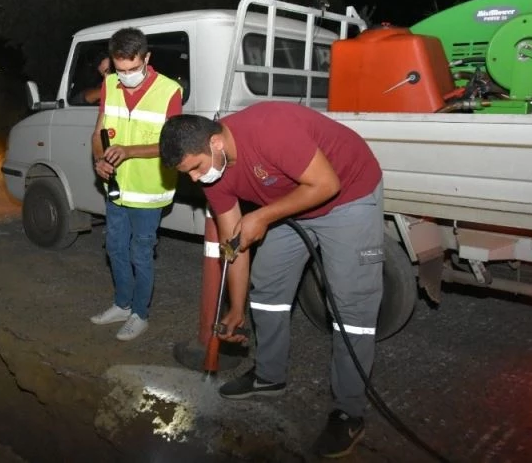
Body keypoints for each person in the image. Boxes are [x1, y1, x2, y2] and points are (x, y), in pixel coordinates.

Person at [159, 102, 384, 458]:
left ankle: (349, 411)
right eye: (188, 173)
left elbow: (326, 183)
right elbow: (235, 243)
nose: (195, 179)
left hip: (346, 195)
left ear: (216, 143)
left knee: (351, 307)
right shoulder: (214, 173)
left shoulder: (270, 129)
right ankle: (269, 375)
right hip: (290, 202)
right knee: (266, 287)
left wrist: (262, 217)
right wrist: (236, 309)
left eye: (196, 168)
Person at [89, 27, 183, 341]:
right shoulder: (109, 84)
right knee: (115, 248)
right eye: (121, 70)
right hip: (116, 189)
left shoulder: (169, 91)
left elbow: (173, 145)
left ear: (146, 58)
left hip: (149, 191)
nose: (127, 76)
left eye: (133, 69)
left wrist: (129, 152)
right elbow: (98, 131)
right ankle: (122, 304)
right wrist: (99, 160)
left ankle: (140, 314)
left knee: (140, 254)